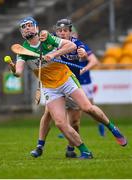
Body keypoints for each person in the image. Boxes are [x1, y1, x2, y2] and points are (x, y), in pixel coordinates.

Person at [30, 18, 127, 159]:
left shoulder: (77, 44)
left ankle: (111, 128)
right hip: (54, 85)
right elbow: (41, 37)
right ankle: (40, 146)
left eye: (65, 31)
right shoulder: (51, 42)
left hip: (71, 83)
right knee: (48, 114)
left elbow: (84, 55)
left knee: (79, 117)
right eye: (59, 30)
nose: (62, 33)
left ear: (70, 32)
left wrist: (82, 57)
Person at [9, 16, 95, 159]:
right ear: (21, 33)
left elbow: (70, 45)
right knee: (58, 121)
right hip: (50, 87)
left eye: (30, 25)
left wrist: (53, 53)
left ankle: (71, 147)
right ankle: (44, 146)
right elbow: (18, 72)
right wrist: (13, 69)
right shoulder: (22, 51)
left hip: (66, 80)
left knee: (76, 120)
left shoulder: (47, 39)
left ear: (36, 27)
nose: (27, 28)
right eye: (24, 27)